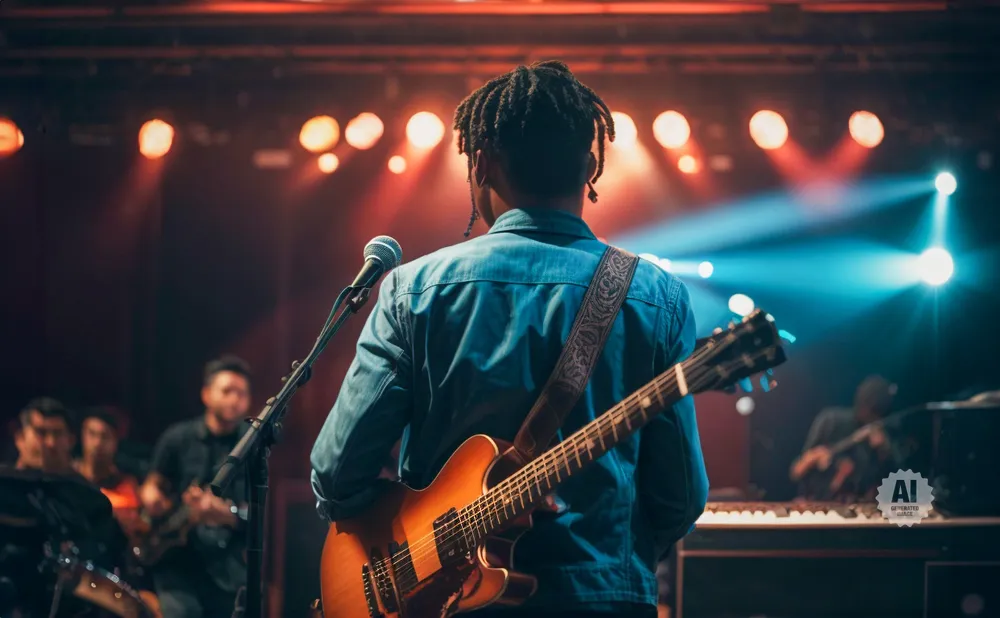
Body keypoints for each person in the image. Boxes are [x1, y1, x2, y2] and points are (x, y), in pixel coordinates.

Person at [311, 60, 708, 618]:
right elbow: (680, 497)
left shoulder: (413, 291)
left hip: (442, 601)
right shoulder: (655, 297)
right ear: (591, 166)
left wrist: (416, 547)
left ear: (479, 164)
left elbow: (337, 473)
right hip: (598, 599)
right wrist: (608, 559)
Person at [139, 356, 252, 618]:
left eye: (242, 393)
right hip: (176, 562)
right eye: (227, 391)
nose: (235, 400)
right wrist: (151, 496)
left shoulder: (253, 446)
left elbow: (260, 513)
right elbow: (153, 483)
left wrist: (225, 513)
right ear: (206, 394)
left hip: (227, 569)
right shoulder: (177, 437)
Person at [790, 375, 902, 501]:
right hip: (815, 504)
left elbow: (895, 486)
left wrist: (884, 452)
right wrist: (816, 456)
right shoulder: (831, 421)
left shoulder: (881, 438)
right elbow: (796, 471)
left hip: (854, 506)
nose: (873, 418)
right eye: (871, 410)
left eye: (878, 415)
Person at [74, 406, 142, 535]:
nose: (97, 443)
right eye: (92, 434)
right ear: (82, 436)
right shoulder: (66, 477)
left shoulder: (128, 486)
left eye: (105, 436)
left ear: (116, 441)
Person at [13, 397, 76, 474]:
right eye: (41, 433)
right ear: (20, 438)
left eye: (57, 434)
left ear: (70, 441)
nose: (50, 443)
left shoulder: (82, 482)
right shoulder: (3, 480)